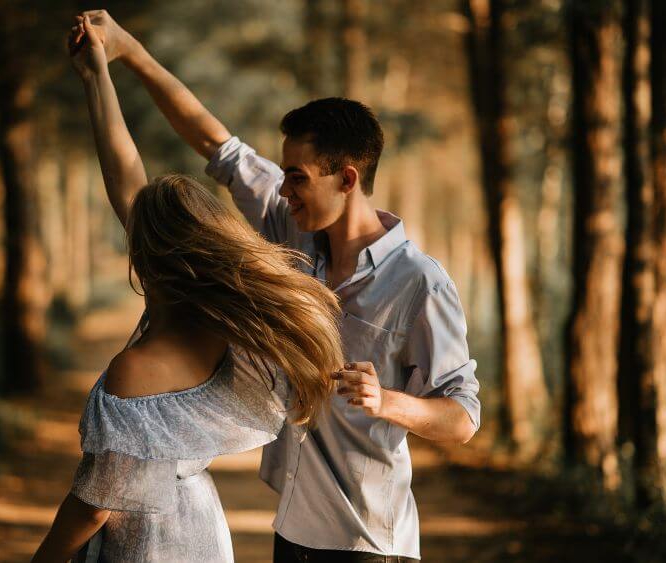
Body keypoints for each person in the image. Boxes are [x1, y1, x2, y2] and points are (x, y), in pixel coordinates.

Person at [77, 10, 483, 562]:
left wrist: (386, 401)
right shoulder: (291, 229)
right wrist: (128, 54)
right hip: (292, 528)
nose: (283, 188)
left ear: (347, 179)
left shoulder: (419, 283)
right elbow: (214, 143)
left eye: (297, 177)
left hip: (366, 540)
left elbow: (462, 419)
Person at [31, 19, 345, 563]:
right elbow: (126, 178)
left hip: (149, 545)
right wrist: (96, 77)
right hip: (202, 527)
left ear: (148, 256)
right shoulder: (237, 336)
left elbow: (95, 505)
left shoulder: (138, 369)